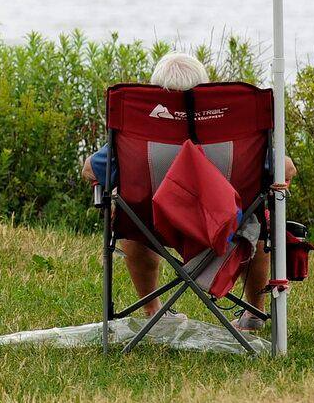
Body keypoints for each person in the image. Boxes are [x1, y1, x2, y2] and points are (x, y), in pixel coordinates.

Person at [80, 51, 296, 331]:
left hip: (153, 227)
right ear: (204, 89)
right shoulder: (233, 127)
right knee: (258, 219)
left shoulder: (139, 127)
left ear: (158, 91)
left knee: (129, 219)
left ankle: (153, 312)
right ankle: (253, 313)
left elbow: (90, 169)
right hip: (228, 226)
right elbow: (286, 169)